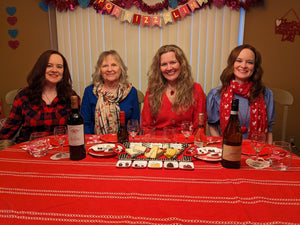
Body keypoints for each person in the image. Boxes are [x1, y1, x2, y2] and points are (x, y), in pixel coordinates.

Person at [0, 50, 79, 143]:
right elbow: (7, 132)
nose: (54, 70)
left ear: (63, 71)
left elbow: (77, 130)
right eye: (49, 65)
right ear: (41, 68)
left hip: (59, 151)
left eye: (59, 67)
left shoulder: (71, 97)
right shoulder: (23, 97)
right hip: (30, 150)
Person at [206, 44, 275, 144]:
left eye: (249, 62)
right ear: (232, 64)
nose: (243, 66)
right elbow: (213, 127)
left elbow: (268, 130)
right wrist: (223, 148)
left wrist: (267, 154)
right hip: (227, 150)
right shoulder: (215, 95)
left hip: (255, 152)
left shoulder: (266, 94)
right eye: (239, 60)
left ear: (255, 67)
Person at [141, 44, 206, 134]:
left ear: (181, 64)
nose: (169, 68)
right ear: (159, 68)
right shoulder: (152, 91)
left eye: (172, 62)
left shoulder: (196, 89)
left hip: (186, 143)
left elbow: (199, 127)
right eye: (164, 64)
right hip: (158, 144)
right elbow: (146, 127)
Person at [81, 50, 140, 135]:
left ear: (121, 69)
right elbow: (85, 124)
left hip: (124, 141)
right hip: (96, 143)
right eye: (105, 66)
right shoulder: (89, 92)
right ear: (100, 70)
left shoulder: (131, 92)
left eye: (114, 65)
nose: (109, 69)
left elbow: (135, 124)